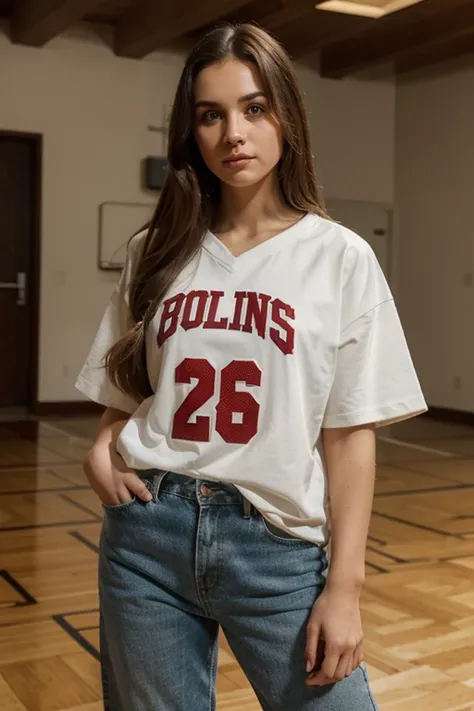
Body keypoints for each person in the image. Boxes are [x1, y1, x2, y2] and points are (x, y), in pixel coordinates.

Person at [76, 22, 426, 711]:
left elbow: (350, 433)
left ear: (286, 117)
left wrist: (346, 588)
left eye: (254, 108)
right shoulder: (156, 249)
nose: (233, 132)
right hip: (147, 536)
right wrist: (99, 444)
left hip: (275, 546)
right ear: (191, 131)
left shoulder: (340, 256)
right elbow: (125, 392)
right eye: (211, 114)